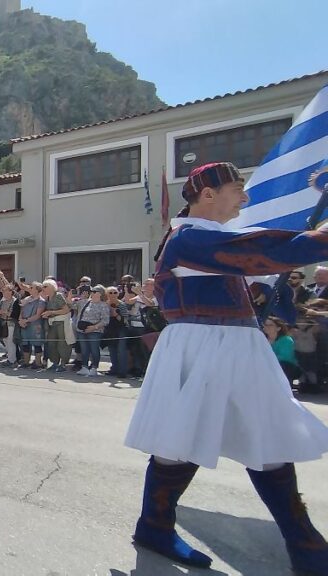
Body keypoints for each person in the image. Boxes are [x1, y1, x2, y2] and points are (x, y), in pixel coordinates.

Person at [124, 162, 328, 573]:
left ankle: (306, 545)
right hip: (204, 344)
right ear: (208, 195)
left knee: (267, 440)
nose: (246, 196)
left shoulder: (210, 238)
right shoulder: (190, 237)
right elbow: (265, 252)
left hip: (233, 343)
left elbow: (258, 262)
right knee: (180, 445)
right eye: (237, 187)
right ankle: (155, 527)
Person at [75, 286, 108, 377]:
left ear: (100, 293)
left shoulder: (103, 305)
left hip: (95, 330)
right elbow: (71, 305)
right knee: (84, 350)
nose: (92, 293)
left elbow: (105, 320)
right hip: (82, 330)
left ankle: (94, 367)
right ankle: (84, 367)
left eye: (94, 291)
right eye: (92, 291)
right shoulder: (84, 302)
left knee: (94, 349)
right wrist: (74, 296)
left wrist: (94, 327)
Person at [264, 315, 302, 385]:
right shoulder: (262, 340)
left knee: (282, 365)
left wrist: (266, 359)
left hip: (287, 367)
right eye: (265, 325)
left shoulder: (286, 340)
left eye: (270, 325)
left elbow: (285, 357)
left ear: (278, 328)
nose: (267, 327)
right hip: (268, 365)